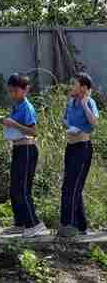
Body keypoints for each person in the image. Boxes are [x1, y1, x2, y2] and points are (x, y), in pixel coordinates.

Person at [2, 74, 47, 237]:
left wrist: (14, 124)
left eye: (15, 91)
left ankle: (33, 223)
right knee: (14, 188)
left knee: (22, 188)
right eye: (10, 91)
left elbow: (33, 131)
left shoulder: (27, 107)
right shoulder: (16, 106)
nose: (12, 94)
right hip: (18, 148)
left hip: (27, 150)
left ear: (25, 90)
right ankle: (20, 222)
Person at [58, 72, 99, 238]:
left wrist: (84, 104)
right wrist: (67, 124)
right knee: (70, 186)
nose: (71, 87)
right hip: (71, 146)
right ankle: (81, 225)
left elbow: (94, 123)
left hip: (83, 147)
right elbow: (65, 119)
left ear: (83, 87)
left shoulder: (89, 102)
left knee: (72, 188)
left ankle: (70, 224)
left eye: (74, 84)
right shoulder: (70, 102)